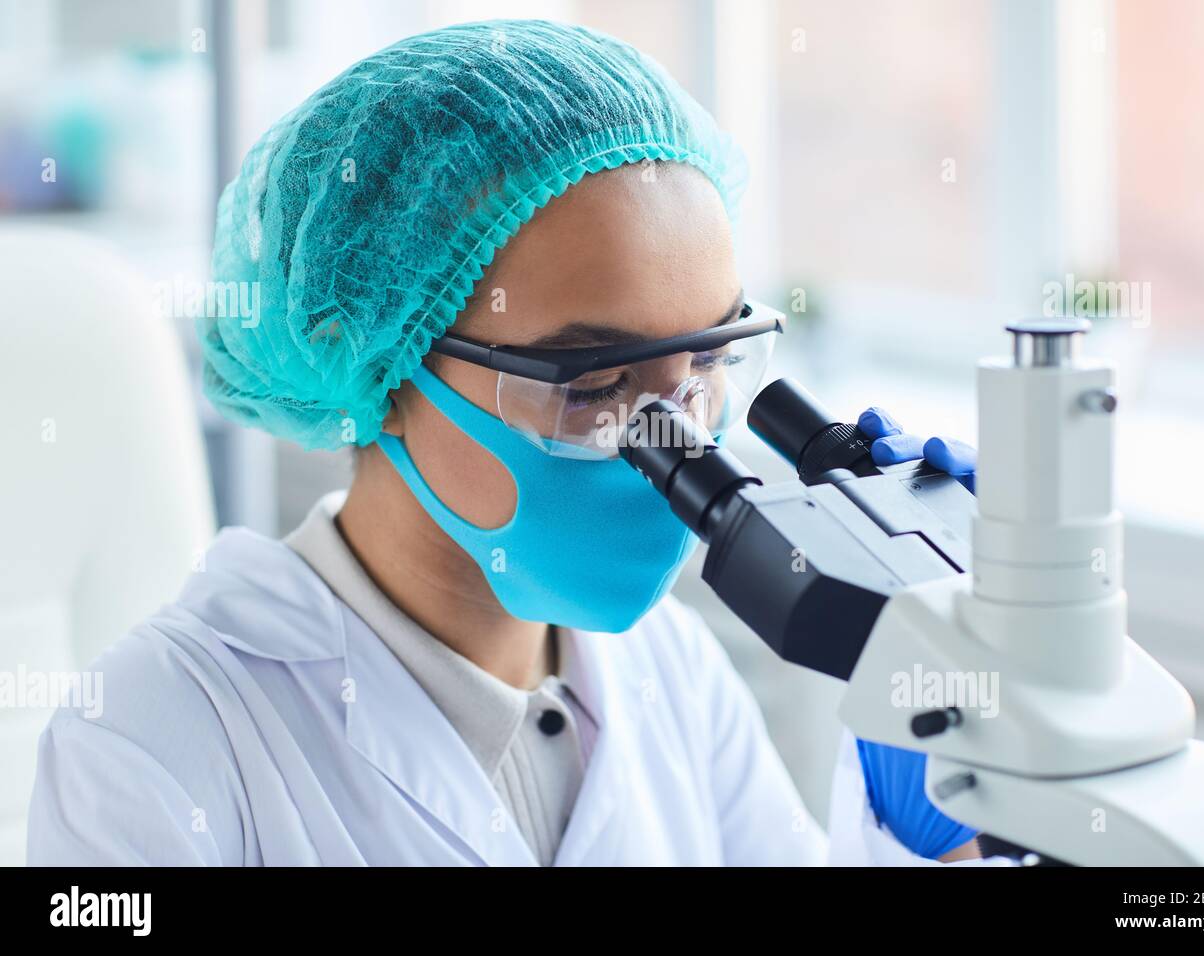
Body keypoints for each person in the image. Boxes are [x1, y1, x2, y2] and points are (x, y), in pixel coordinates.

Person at [27, 20, 981, 867]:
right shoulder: (156, 740)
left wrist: (940, 815)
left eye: (707, 362)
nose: (679, 443)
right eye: (596, 384)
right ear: (375, 362)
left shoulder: (672, 675)